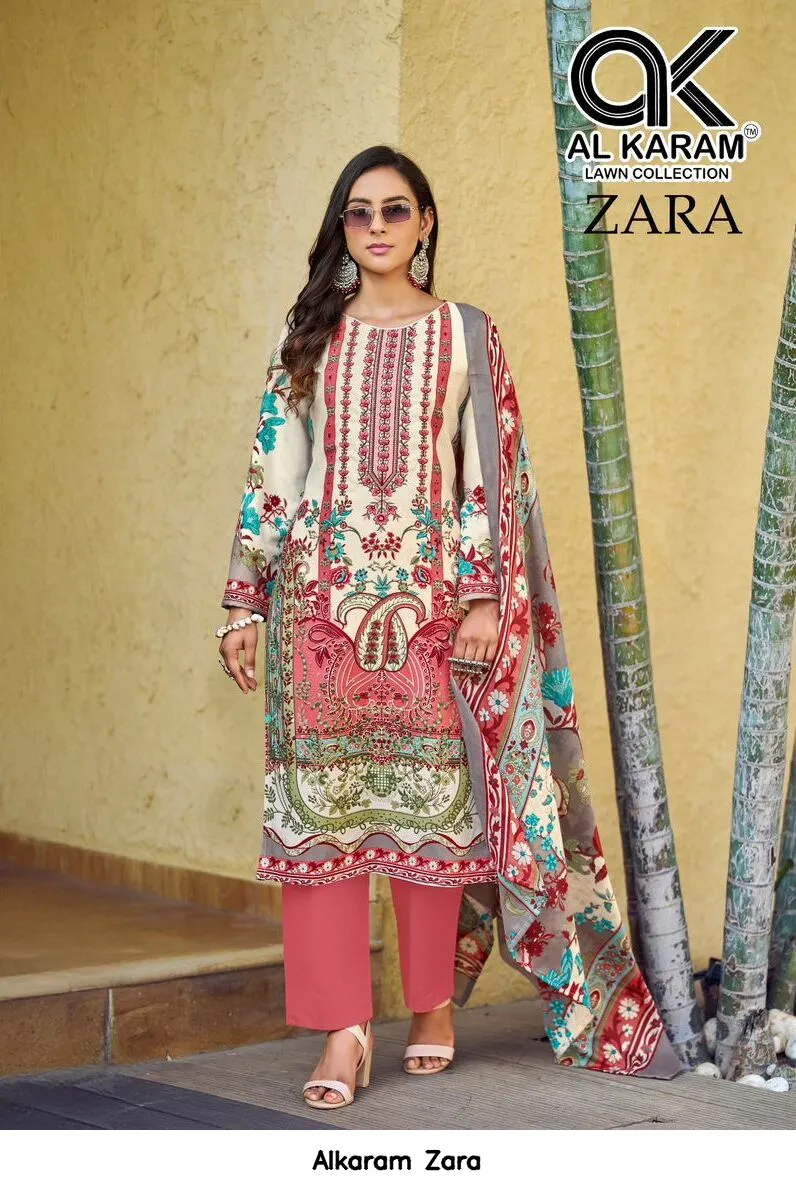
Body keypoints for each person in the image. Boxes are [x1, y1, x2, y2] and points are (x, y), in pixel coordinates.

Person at [217, 144, 685, 1110]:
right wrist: (243, 598)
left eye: (395, 209)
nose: (376, 227)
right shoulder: (309, 336)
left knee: (434, 816)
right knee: (320, 823)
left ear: (425, 221)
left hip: (434, 611)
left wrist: (481, 599)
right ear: (342, 229)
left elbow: (490, 479)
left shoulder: (468, 332)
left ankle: (431, 1005)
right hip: (317, 616)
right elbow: (275, 470)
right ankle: (343, 1031)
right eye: (358, 212)